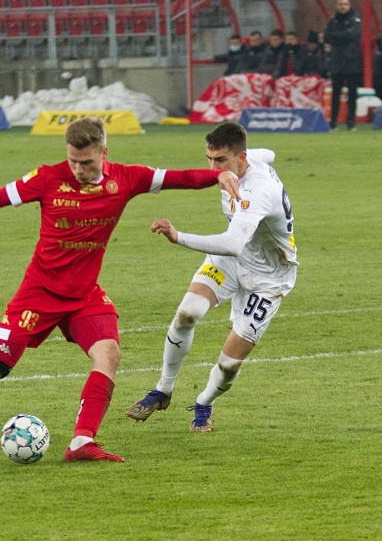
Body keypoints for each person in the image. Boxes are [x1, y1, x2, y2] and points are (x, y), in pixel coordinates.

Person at [0, 117, 242, 463]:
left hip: (84, 295)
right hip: (39, 293)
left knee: (109, 354)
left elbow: (178, 178)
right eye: (73, 161)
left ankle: (81, 442)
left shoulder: (126, 178)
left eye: (86, 162)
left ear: (104, 151)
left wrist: (218, 175)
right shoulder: (47, 178)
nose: (78, 169)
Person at [127, 122, 297, 433]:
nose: (213, 168)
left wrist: (179, 237)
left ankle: (205, 402)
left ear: (241, 158)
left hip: (269, 276)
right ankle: (162, 390)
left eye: (221, 161)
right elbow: (267, 153)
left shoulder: (256, 191)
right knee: (187, 314)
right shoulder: (248, 160)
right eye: (210, 158)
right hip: (231, 261)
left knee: (230, 365)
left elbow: (232, 243)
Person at [324, 0, 363, 130]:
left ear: (349, 5)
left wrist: (337, 36)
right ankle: (333, 121)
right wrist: (342, 35)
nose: (342, 6)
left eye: (345, 4)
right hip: (337, 61)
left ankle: (351, 121)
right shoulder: (332, 21)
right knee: (336, 93)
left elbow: (353, 35)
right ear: (336, 6)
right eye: (340, 4)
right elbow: (327, 37)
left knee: (352, 93)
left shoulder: (355, 20)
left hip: (352, 61)